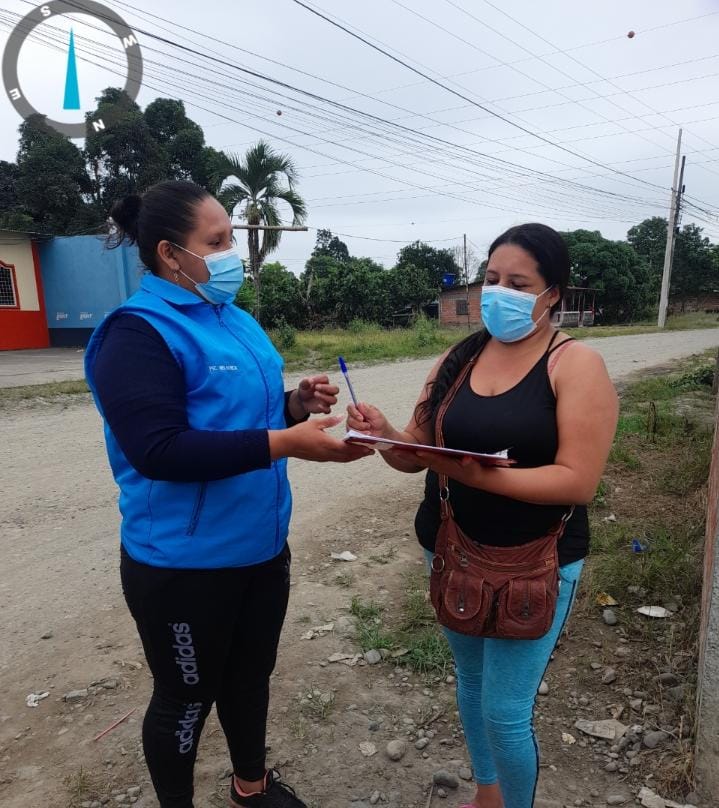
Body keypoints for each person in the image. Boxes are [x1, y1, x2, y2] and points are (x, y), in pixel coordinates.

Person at [84, 180, 372, 808]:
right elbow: (160, 451)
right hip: (184, 565)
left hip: (260, 547)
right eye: (215, 242)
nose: (230, 254)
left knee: (249, 678)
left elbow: (243, 417)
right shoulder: (135, 334)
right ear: (170, 253)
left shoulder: (235, 320)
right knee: (185, 698)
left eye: (230, 238)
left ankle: (251, 787)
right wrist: (286, 442)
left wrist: (294, 404)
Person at [347, 223, 618, 808]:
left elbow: (578, 480)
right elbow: (415, 452)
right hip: (450, 548)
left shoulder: (575, 365)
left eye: (518, 284)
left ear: (552, 294)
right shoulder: (459, 357)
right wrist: (384, 434)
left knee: (505, 711)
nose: (499, 294)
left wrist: (474, 474)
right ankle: (487, 794)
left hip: (535, 562)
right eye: (492, 279)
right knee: (471, 684)